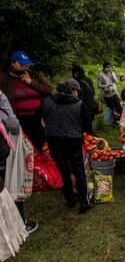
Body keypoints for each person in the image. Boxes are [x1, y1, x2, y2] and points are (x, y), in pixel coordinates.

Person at [42, 79, 93, 214]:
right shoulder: (79, 104)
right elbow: (88, 126)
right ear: (74, 91)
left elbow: (43, 118)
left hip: (53, 140)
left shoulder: (47, 101)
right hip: (73, 140)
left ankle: (70, 198)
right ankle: (84, 202)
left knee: (62, 170)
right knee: (78, 170)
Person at [0, 89, 36, 237]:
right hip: (3, 153)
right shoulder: (1, 99)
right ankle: (19, 226)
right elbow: (14, 126)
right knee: (9, 187)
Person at [0, 51, 52, 151]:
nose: (25, 67)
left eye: (26, 64)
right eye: (21, 64)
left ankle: (38, 164)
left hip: (38, 117)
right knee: (23, 145)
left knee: (39, 143)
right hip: (19, 118)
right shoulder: (5, 79)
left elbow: (48, 90)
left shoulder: (35, 76)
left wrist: (31, 83)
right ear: (13, 63)